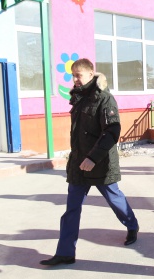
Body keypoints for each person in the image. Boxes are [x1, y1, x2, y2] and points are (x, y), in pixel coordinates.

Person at [40, 59, 140, 266]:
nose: (75, 79)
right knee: (71, 210)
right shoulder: (78, 97)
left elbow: (112, 131)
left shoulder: (104, 99)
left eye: (79, 75)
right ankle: (66, 252)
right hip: (79, 163)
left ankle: (132, 225)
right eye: (73, 75)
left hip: (100, 162)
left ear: (91, 73)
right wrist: (80, 158)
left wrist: (93, 158)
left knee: (115, 199)